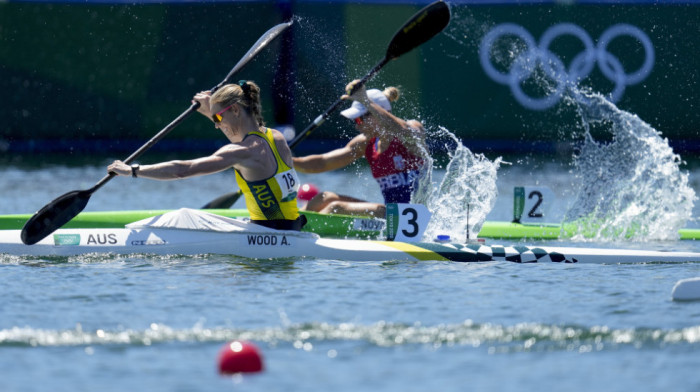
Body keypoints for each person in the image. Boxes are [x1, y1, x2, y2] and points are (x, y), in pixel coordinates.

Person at [107, 80, 306, 231]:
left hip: (268, 235)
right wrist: (213, 111)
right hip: (291, 229)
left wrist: (132, 170)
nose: (216, 124)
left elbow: (182, 171)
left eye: (218, 117)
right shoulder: (276, 138)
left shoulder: (241, 152)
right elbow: (240, 136)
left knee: (182, 217)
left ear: (235, 109)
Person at [293, 79, 426, 218]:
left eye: (359, 119)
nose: (357, 126)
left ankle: (305, 230)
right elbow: (323, 162)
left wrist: (366, 101)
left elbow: (403, 130)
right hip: (389, 214)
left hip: (413, 217)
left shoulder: (412, 133)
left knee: (336, 208)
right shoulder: (366, 143)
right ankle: (293, 223)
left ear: (376, 115)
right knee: (324, 198)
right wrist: (286, 160)